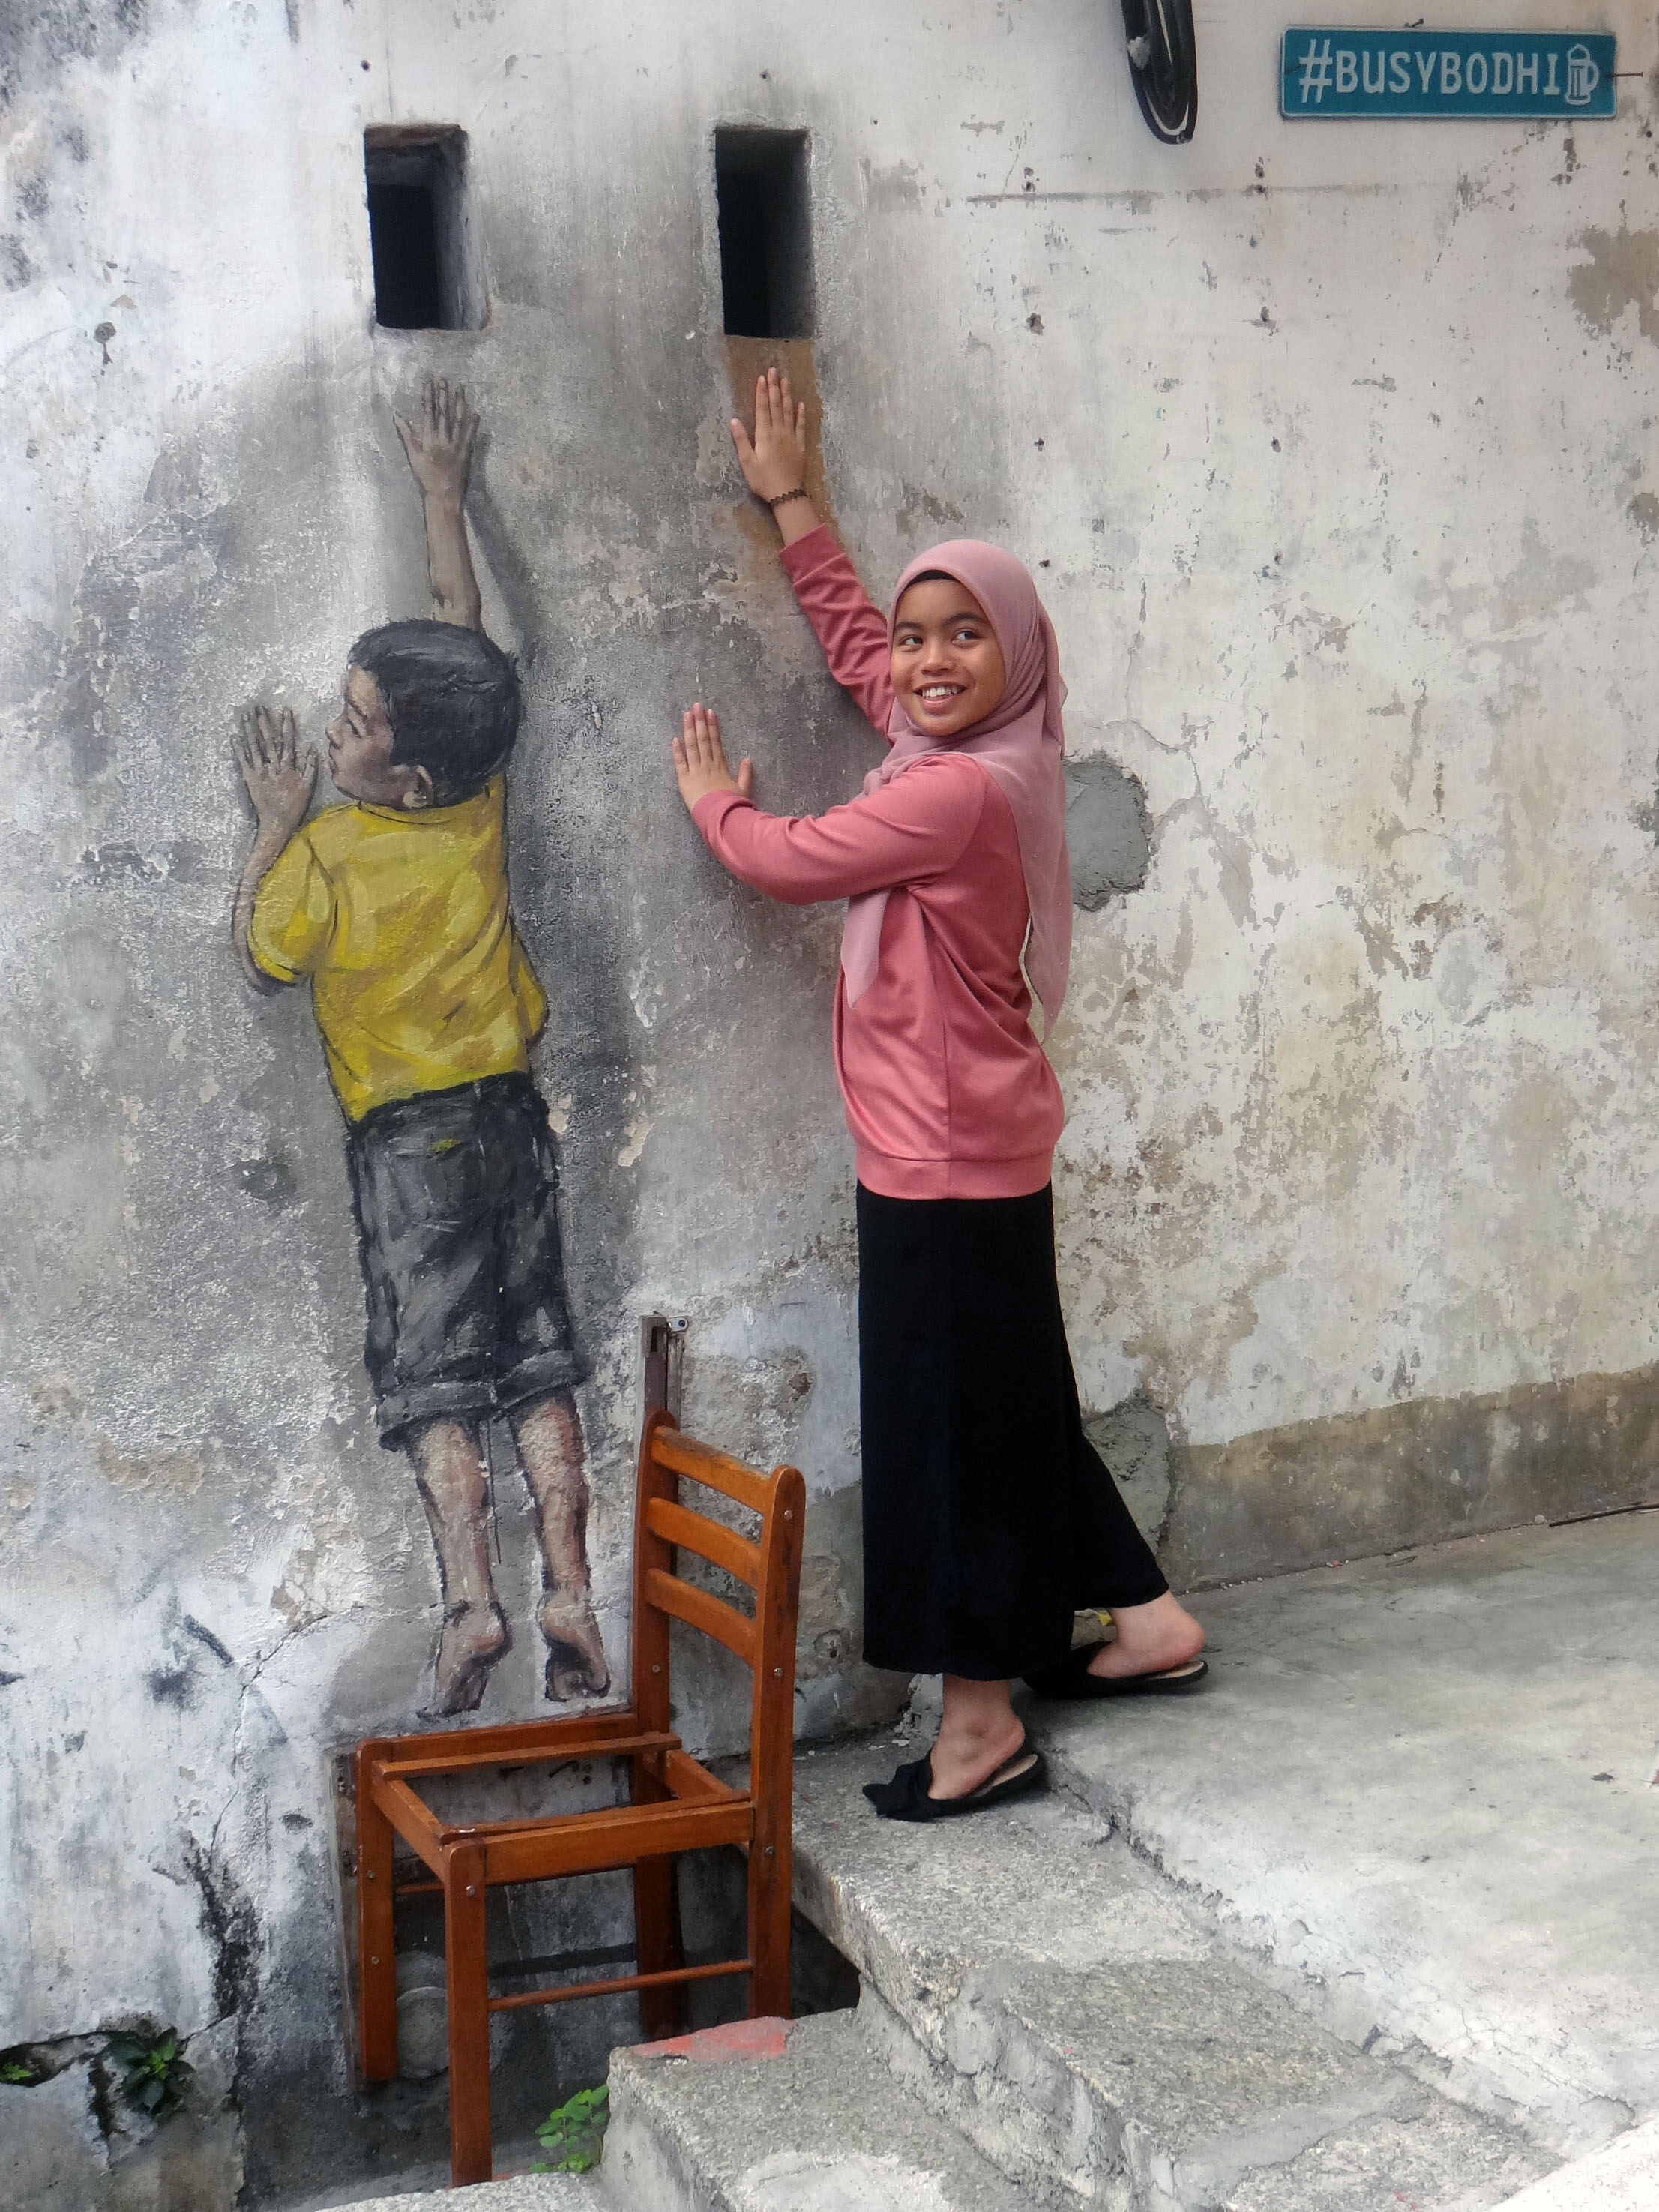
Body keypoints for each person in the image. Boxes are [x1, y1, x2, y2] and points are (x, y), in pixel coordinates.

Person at [671, 369, 1207, 1820]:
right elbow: (870, 664)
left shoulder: (949, 793)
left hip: (941, 1157)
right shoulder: (991, 751)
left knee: (948, 1439)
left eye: (964, 633)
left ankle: (979, 1727)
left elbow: (789, 858)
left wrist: (716, 799)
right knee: (1010, 1398)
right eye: (920, 634)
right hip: (981, 1142)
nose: (924, 660)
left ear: (1015, 648)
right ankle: (1146, 1615)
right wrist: (797, 505)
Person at [229, 378, 608, 1719]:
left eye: (354, 724)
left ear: (407, 776)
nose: (333, 732)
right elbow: (466, 643)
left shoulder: (329, 850)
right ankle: (572, 1587)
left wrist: (271, 824)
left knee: (437, 1385)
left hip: (407, 1149)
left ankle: (471, 1605)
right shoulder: (472, 804)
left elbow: (266, 955)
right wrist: (442, 493)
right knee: (539, 1359)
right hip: (510, 1117)